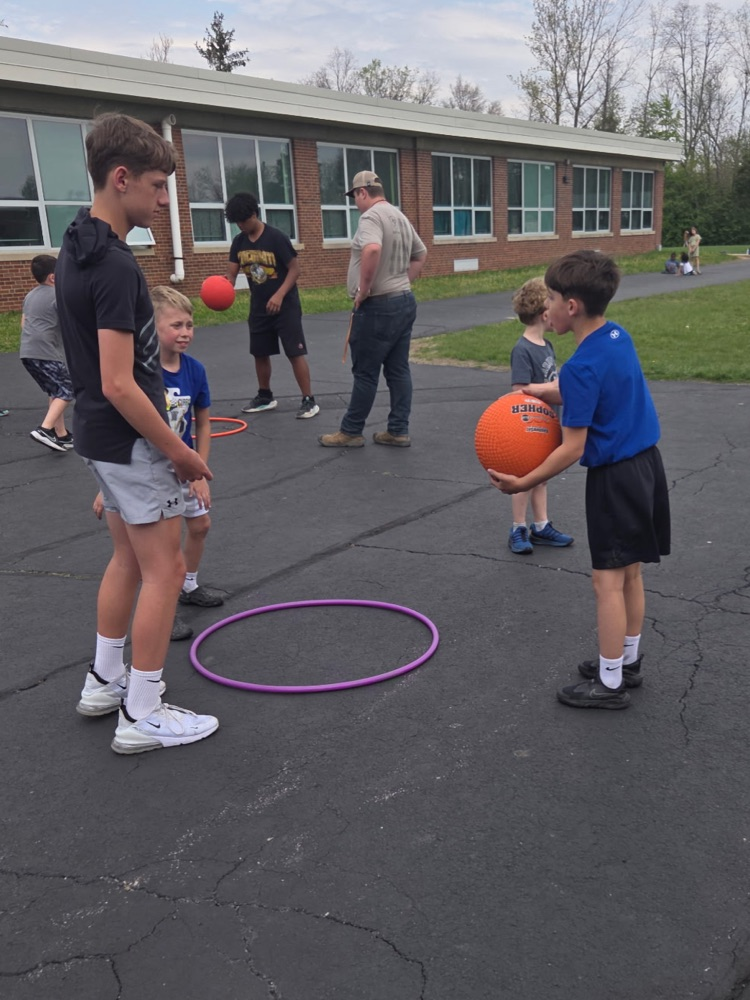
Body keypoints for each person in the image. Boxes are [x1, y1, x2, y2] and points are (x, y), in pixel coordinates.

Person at [56, 111, 219, 754]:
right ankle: (143, 711)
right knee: (165, 566)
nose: (162, 200)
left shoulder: (76, 243)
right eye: (156, 187)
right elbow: (122, 382)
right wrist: (179, 451)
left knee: (127, 557)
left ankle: (105, 680)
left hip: (99, 436)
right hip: (128, 437)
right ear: (120, 178)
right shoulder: (118, 267)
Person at [488, 250, 670, 710]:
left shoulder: (581, 365)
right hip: (646, 467)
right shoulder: (614, 336)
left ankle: (610, 685)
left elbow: (570, 447)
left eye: (550, 297)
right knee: (629, 573)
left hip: (615, 479)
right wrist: (536, 391)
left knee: (605, 582)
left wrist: (521, 482)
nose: (544, 306)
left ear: (570, 306)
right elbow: (582, 387)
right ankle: (625, 662)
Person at [92, 284, 225, 642]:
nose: (185, 333)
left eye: (189, 325)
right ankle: (161, 612)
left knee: (200, 527)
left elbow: (204, 420)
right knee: (152, 558)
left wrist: (200, 472)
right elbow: (121, 429)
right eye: (175, 326)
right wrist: (107, 489)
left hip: (182, 465)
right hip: (148, 468)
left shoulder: (194, 370)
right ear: (152, 330)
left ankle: (189, 586)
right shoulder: (139, 376)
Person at [318, 171, 427, 448]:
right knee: (398, 369)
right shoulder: (399, 216)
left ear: (363, 192)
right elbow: (420, 253)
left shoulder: (371, 217)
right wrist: (403, 281)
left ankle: (351, 430)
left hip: (378, 305)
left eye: (355, 196)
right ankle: (398, 429)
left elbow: (372, 250)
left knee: (365, 372)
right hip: (403, 300)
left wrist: (364, 290)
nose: (355, 203)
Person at [224, 192, 318, 419]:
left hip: (285, 307)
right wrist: (219, 290)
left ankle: (308, 400)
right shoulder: (239, 242)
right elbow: (230, 275)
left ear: (254, 215)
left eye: (243, 221)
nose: (240, 226)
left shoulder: (276, 238)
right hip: (259, 308)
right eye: (236, 222)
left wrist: (279, 295)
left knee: (295, 353)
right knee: (260, 353)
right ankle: (265, 396)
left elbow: (295, 269)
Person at [506, 277, 574, 554]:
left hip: (549, 423)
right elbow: (519, 391)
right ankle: (518, 528)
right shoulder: (522, 350)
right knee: (525, 478)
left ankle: (542, 525)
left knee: (542, 477)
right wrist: (555, 387)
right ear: (544, 312)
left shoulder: (546, 345)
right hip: (529, 427)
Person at [20, 255, 75, 452]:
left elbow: (24, 323)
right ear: (53, 277)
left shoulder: (30, 296)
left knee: (55, 390)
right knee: (68, 389)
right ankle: (44, 429)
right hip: (46, 352)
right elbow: (72, 322)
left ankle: (61, 435)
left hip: (27, 352)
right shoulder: (58, 295)